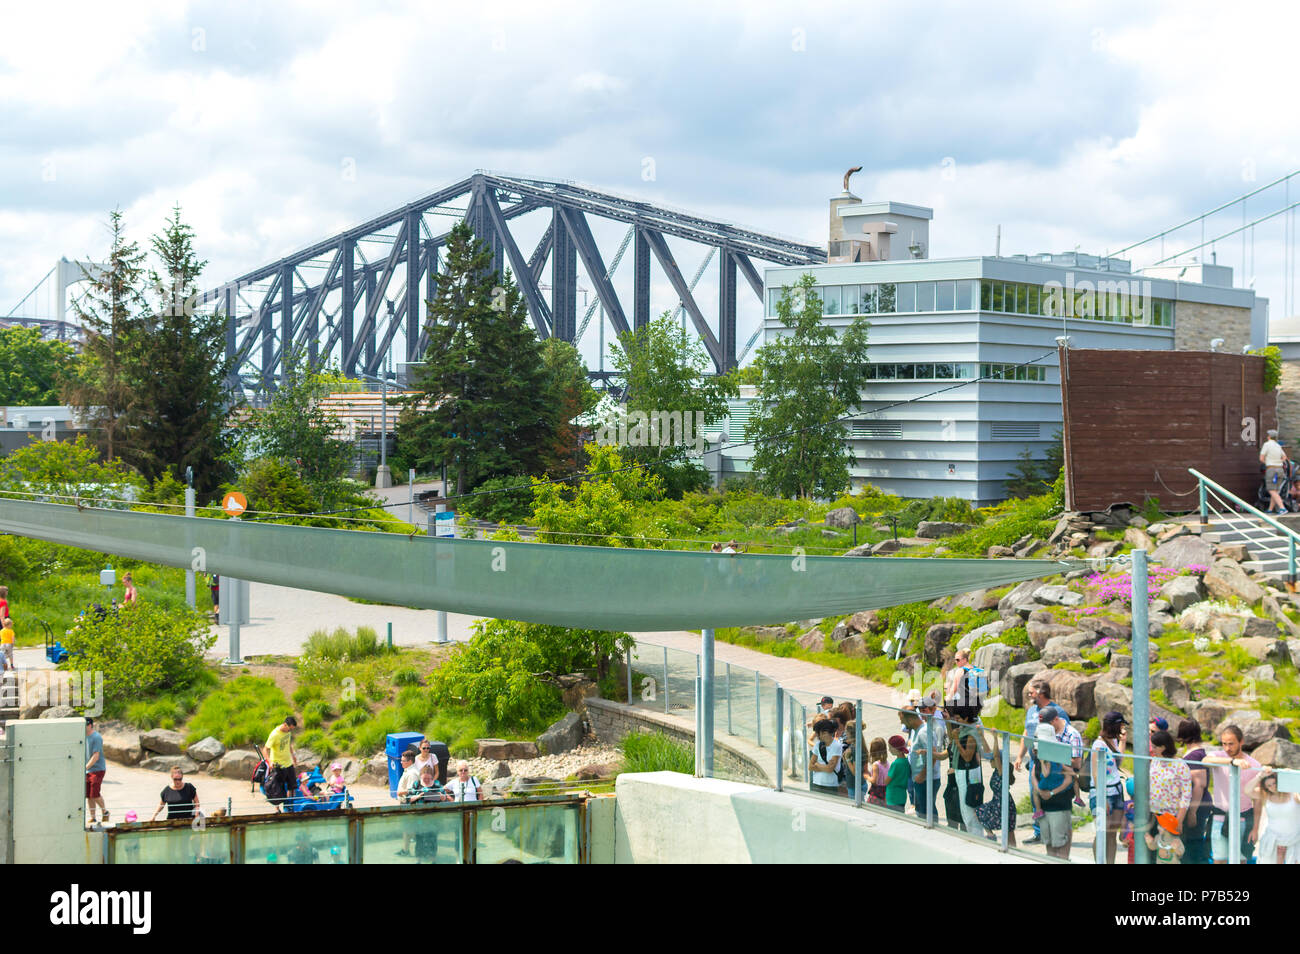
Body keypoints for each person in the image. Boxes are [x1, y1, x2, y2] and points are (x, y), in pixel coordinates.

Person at [1203, 724, 1262, 863]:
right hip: (1220, 817)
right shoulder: (1219, 757)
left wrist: (1255, 828)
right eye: (1224, 744)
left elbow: (1258, 800)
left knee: (1241, 861)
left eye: (1231, 744)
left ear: (1241, 742)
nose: (1227, 748)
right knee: (1219, 860)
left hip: (1244, 818)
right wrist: (1232, 761)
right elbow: (1205, 761)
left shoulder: (1254, 765)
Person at [1031, 722, 1076, 859]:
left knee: (1060, 844)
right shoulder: (1038, 756)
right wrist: (1039, 791)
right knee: (1049, 844)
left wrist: (1051, 793)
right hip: (1043, 808)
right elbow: (1033, 775)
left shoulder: (1060, 756)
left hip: (1059, 806)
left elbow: (1069, 779)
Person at [1089, 711, 1128, 864]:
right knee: (1102, 832)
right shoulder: (1098, 745)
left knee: (1112, 833)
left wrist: (1123, 742)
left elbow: (1117, 763)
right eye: (1121, 725)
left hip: (1116, 791)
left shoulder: (1113, 741)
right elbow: (1096, 773)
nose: (1123, 728)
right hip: (1103, 792)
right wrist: (1102, 798)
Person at [1177, 718, 1213, 865]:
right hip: (1197, 804)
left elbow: (1199, 784)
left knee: (1193, 846)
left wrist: (1192, 811)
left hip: (1197, 805)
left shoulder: (1195, 755)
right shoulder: (1196, 753)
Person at [1148, 729, 1192, 844]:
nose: (1152, 749)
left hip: (1171, 816)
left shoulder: (1180, 765)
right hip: (1153, 814)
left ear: (1163, 747)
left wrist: (1179, 820)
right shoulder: (1155, 761)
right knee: (1153, 849)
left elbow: (1186, 795)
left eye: (1155, 747)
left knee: (1170, 850)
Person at [974, 731, 1016, 846]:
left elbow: (996, 756)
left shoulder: (1001, 771)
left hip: (1003, 802)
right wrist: (981, 736)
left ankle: (1011, 849)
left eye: (992, 760)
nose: (990, 760)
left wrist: (996, 738)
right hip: (999, 801)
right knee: (1008, 831)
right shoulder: (998, 771)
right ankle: (991, 835)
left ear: (999, 762)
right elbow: (989, 752)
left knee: (1009, 832)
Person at [1250, 769, 1300, 864]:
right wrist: (1259, 776)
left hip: (1295, 838)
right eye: (1269, 785)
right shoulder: (1265, 795)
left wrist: (1291, 775)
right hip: (1273, 838)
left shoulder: (1294, 794)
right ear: (1266, 788)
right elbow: (1247, 790)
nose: (1273, 787)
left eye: (1274, 783)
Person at [263, 715, 299, 808]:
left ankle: (289, 806)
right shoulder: (274, 734)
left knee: (292, 786)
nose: (290, 731)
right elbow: (265, 749)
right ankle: (277, 809)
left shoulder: (288, 732)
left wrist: (293, 755)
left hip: (288, 763)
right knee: (277, 788)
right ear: (285, 725)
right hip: (278, 765)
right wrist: (269, 762)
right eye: (290, 729)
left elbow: (288, 744)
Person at [394, 748, 421, 857]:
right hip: (406, 803)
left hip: (408, 804)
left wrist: (400, 793)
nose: (401, 762)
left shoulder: (412, 773)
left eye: (403, 761)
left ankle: (406, 850)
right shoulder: (408, 771)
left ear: (410, 761)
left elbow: (411, 791)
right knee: (408, 828)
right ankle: (407, 849)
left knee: (407, 828)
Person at [809, 719, 842, 796]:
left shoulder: (836, 746)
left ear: (826, 732)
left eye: (819, 733)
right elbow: (810, 767)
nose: (818, 736)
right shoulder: (818, 745)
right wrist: (825, 767)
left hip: (830, 785)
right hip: (816, 783)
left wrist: (817, 764)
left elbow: (830, 769)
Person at [85, 717, 107, 827]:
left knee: (94, 793)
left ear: (89, 725)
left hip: (97, 769)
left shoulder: (96, 737)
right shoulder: (83, 737)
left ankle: (105, 812)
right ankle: (93, 817)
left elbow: (96, 756)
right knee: (89, 795)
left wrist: (85, 767)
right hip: (87, 770)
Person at [1261, 427, 1289, 514]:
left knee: (1271, 490)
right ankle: (1270, 509)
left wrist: (1268, 462)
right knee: (1276, 490)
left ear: (1269, 436)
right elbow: (1284, 457)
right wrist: (1278, 462)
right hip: (1280, 469)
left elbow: (1261, 458)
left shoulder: (1267, 444)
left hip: (1271, 468)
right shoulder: (1278, 446)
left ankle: (1282, 508)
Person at [885, 735, 910, 812]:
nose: (889, 750)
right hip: (902, 796)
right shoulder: (906, 761)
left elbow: (887, 781)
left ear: (896, 749)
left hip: (892, 797)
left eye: (890, 747)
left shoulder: (896, 764)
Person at [865, 737, 889, 806]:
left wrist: (867, 776)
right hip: (885, 790)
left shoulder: (876, 765)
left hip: (877, 791)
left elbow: (874, 781)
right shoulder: (886, 762)